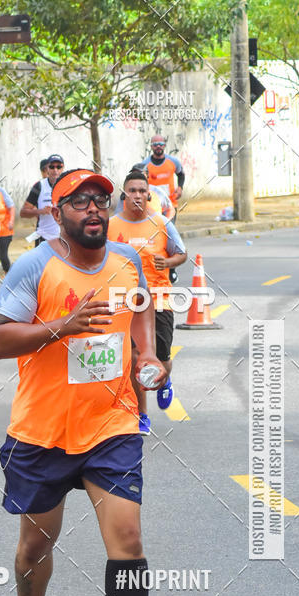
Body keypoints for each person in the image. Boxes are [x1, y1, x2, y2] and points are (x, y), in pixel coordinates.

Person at [0, 168, 172, 596]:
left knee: (128, 540)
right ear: (57, 212)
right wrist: (62, 326)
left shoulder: (127, 260)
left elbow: (140, 313)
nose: (93, 208)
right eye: (79, 201)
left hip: (111, 426)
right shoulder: (34, 266)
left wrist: (147, 357)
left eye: (100, 200)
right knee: (34, 547)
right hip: (42, 433)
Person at [108, 170, 187, 435]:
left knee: (162, 358)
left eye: (142, 191)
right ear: (124, 195)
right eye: (132, 190)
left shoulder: (162, 223)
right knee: (134, 358)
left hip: (159, 298)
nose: (138, 195)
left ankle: (165, 380)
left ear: (148, 195)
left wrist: (169, 261)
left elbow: (182, 253)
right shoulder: (111, 226)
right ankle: (141, 414)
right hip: (125, 301)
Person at [141, 135, 184, 282]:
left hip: (169, 207)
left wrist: (180, 187)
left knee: (169, 238)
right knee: (154, 240)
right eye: (155, 144)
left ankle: (171, 269)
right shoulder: (145, 165)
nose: (158, 146)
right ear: (151, 146)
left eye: (160, 143)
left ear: (164, 145)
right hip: (153, 209)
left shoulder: (173, 162)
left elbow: (181, 174)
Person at [19, 154, 64, 245]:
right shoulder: (39, 186)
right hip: (44, 238)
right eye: (52, 167)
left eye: (58, 167)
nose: (55, 170)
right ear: (47, 169)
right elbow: (23, 213)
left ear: (63, 168)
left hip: (64, 237)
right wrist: (41, 211)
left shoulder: (68, 185)